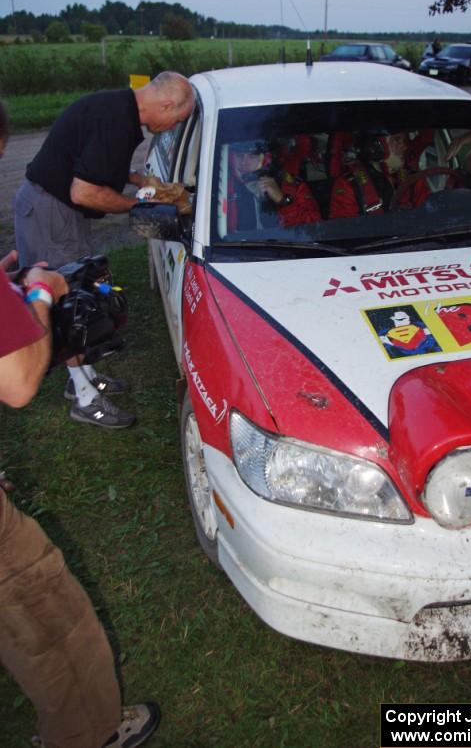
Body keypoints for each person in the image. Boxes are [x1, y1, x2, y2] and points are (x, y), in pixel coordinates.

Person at [1, 101, 161, 748]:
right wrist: (36, 296)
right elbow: (15, 385)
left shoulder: (113, 113)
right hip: (52, 238)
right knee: (41, 608)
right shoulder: (112, 117)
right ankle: (87, 734)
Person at [13, 72, 195, 429]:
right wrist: (138, 204)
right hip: (53, 212)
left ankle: (81, 378)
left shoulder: (118, 110)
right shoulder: (115, 119)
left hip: (57, 210)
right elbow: (84, 192)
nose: (173, 125)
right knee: (70, 305)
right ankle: (84, 398)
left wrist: (140, 180)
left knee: (80, 292)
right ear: (166, 104)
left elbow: (94, 163)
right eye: (176, 119)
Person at [227, 139, 320, 231]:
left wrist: (282, 200)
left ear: (264, 158)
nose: (244, 162)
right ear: (232, 157)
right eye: (239, 156)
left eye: (252, 156)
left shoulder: (290, 184)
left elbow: (313, 229)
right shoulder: (221, 184)